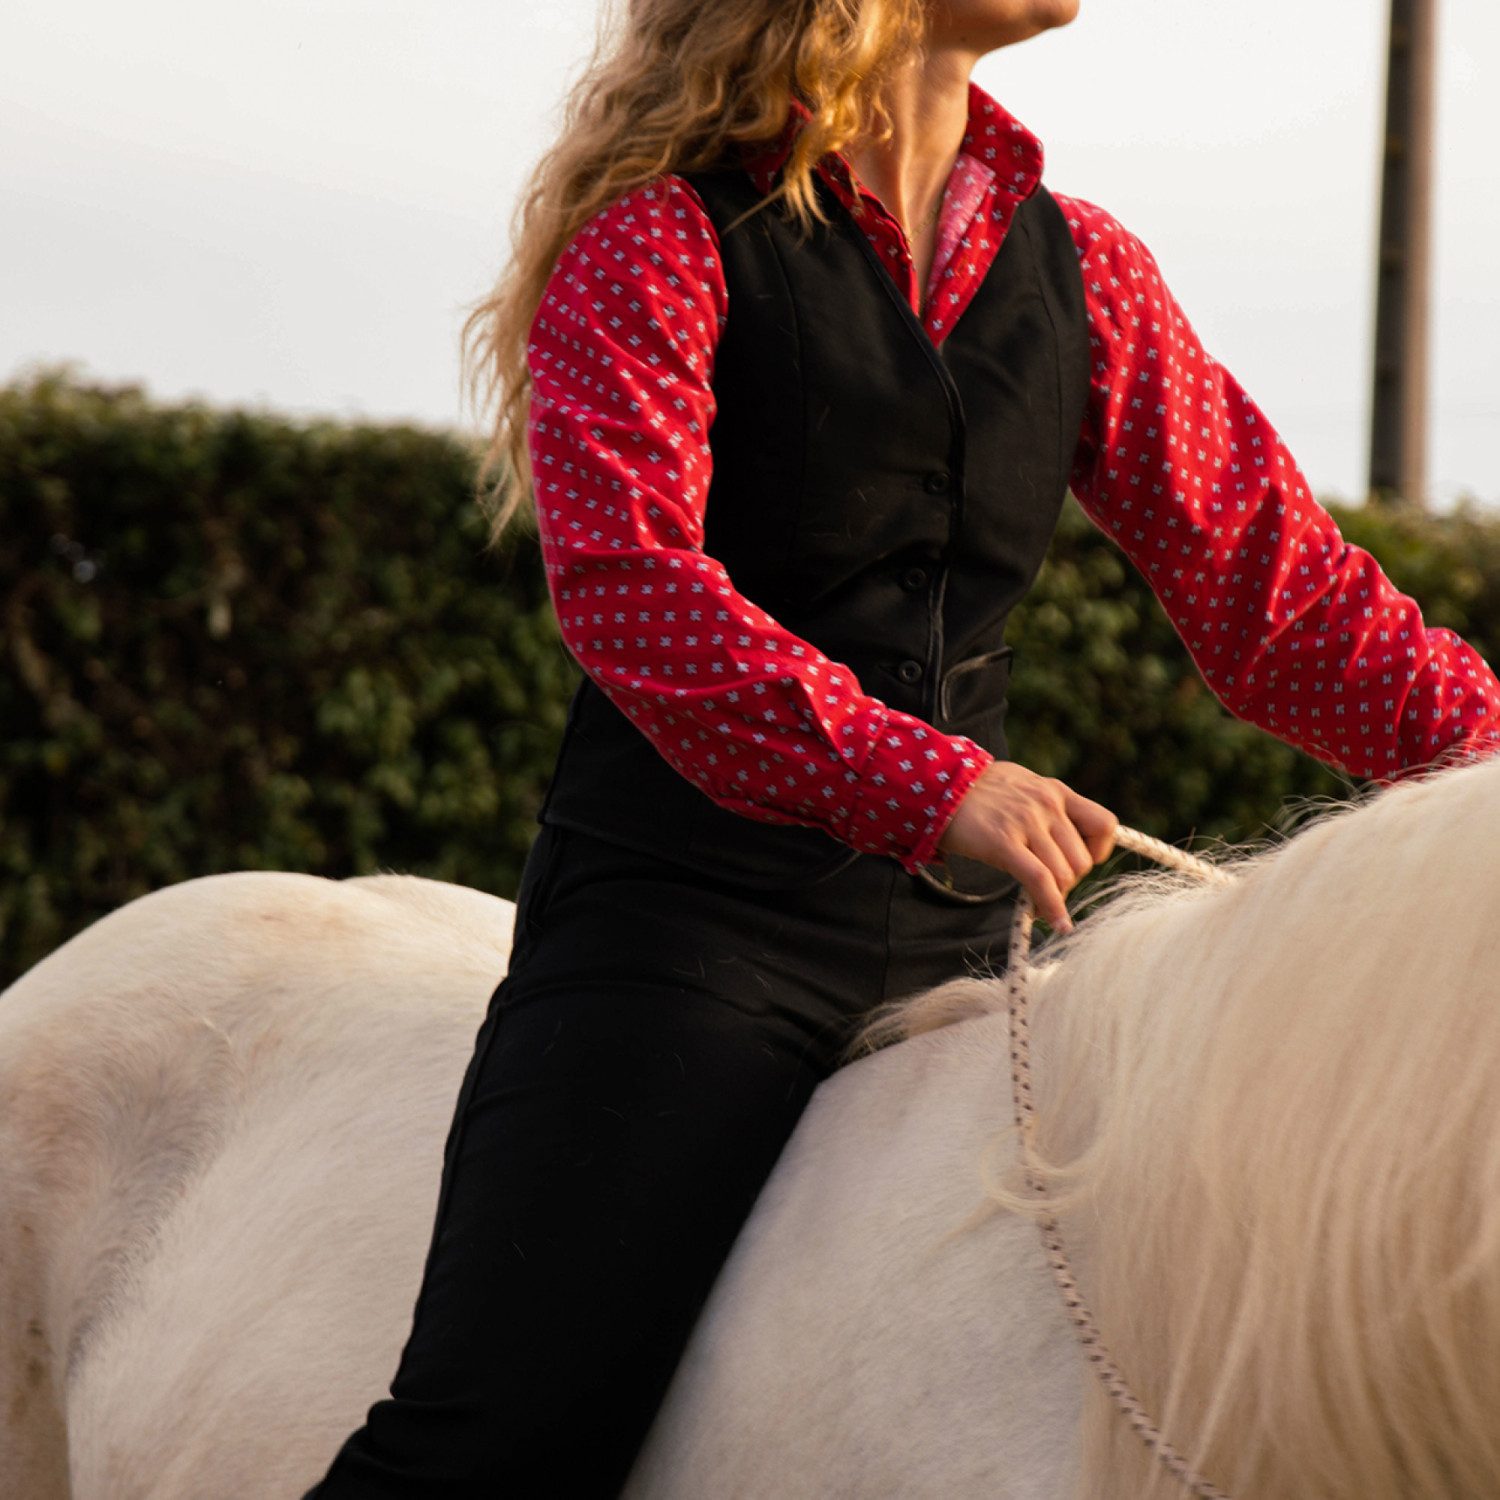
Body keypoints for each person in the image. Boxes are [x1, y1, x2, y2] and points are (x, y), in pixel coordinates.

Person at [307, 0, 1500, 1494]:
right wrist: (929, 780)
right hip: (690, 937)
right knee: (494, 1447)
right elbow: (632, 591)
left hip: (963, 961)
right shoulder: (663, 240)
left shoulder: (1084, 266)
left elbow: (1285, 606)